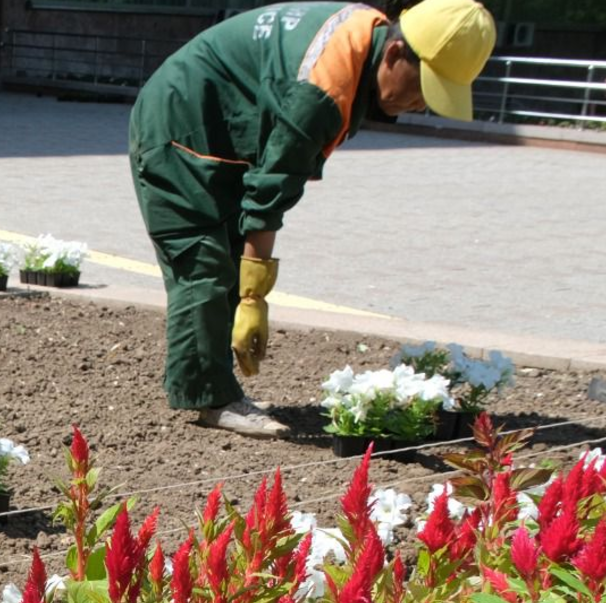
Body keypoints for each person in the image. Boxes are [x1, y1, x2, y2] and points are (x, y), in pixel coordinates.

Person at [127, 0, 495, 437]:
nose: (419, 105)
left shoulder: (362, 39)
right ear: (395, 53)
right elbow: (272, 188)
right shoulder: (323, 85)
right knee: (203, 263)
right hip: (177, 126)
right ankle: (212, 398)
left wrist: (248, 282)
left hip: (217, 127)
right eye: (421, 88)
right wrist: (253, 296)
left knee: (228, 254)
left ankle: (218, 386)